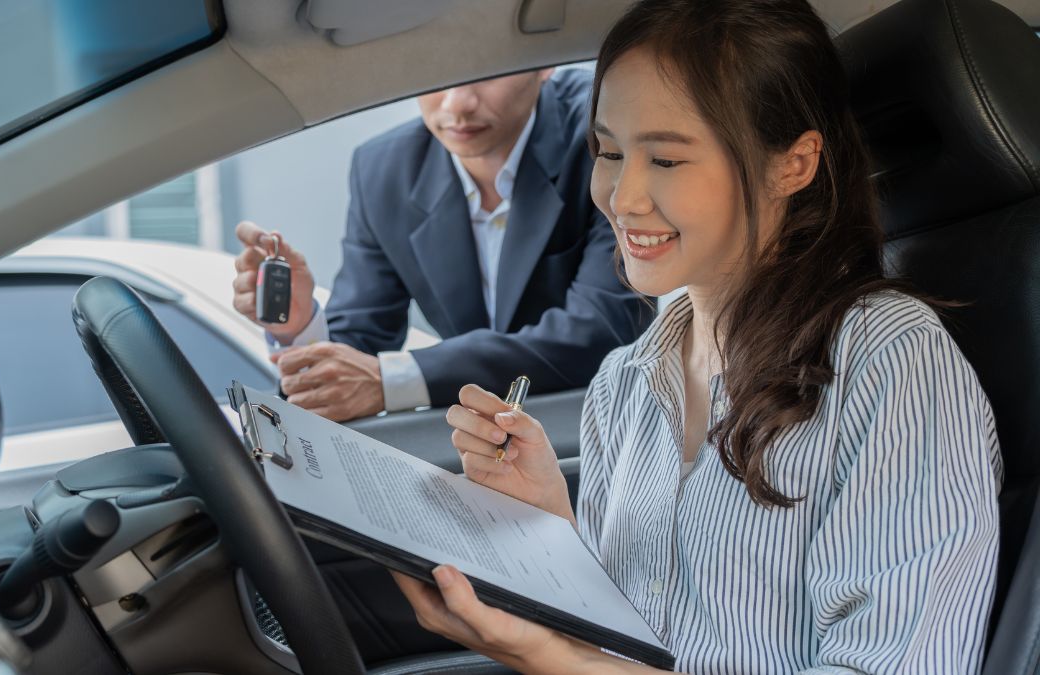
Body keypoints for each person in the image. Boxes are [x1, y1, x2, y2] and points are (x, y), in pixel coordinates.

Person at [393, 0, 1004, 672]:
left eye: (667, 159)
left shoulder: (889, 362)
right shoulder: (624, 382)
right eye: (610, 151)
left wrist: (545, 656)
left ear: (792, 164)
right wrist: (553, 530)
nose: (622, 197)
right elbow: (637, 639)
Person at [232, 68, 649, 422]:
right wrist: (301, 327)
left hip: (604, 426)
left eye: (485, 74)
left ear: (543, 64)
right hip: (473, 443)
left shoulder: (601, 140)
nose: (457, 104)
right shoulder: (384, 171)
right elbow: (359, 344)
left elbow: (600, 331)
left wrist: (391, 380)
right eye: (434, 73)